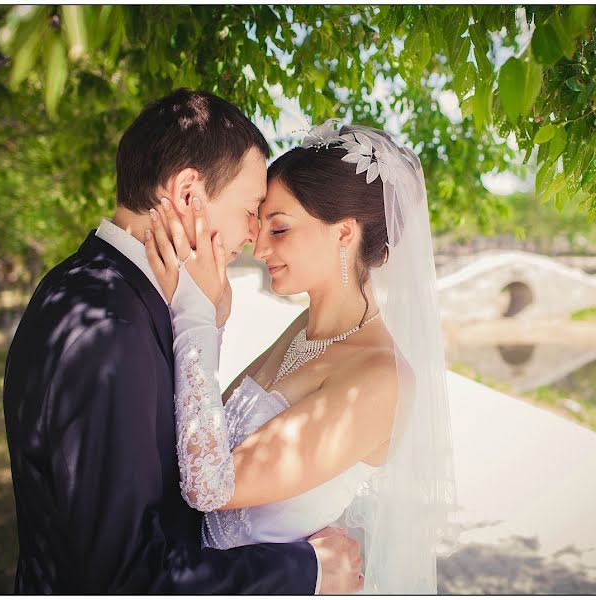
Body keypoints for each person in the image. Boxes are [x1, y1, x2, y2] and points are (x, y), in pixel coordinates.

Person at [2, 90, 362, 594]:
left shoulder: (88, 286)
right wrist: (308, 569)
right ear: (189, 193)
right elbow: (128, 576)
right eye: (251, 207)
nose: (254, 235)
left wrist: (204, 323)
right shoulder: (110, 329)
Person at [146, 120, 457, 593]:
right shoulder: (304, 330)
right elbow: (206, 426)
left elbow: (212, 484)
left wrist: (199, 318)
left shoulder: (379, 378)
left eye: (280, 227)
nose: (258, 246)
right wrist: (219, 320)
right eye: (260, 224)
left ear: (344, 233)